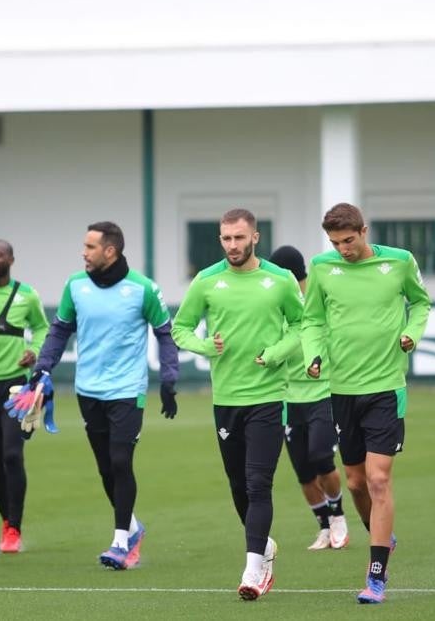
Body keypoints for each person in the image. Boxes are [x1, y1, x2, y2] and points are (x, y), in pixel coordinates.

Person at [301, 203, 430, 604]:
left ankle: (376, 577)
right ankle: (381, 535)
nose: (343, 249)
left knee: (377, 479)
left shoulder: (400, 262)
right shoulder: (322, 267)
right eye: (335, 242)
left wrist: (411, 332)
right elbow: (313, 320)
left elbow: (421, 303)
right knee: (355, 481)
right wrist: (313, 355)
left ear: (364, 230)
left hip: (386, 387)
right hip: (341, 389)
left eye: (349, 240)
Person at [33, 221, 179, 570]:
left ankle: (119, 542)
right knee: (105, 468)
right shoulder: (76, 285)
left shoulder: (142, 289)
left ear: (110, 251)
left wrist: (169, 379)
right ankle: (132, 528)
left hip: (127, 390)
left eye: (90, 247)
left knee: (120, 461)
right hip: (88, 390)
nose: (83, 252)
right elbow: (60, 330)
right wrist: (43, 366)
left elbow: (165, 333)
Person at [172, 210, 302, 600]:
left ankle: (253, 572)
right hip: (226, 399)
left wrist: (277, 353)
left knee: (258, 483)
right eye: (226, 238)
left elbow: (303, 325)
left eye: (239, 238)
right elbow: (180, 327)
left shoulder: (280, 280)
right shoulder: (207, 281)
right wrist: (203, 346)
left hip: (268, 396)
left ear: (255, 238)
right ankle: (264, 546)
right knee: (238, 487)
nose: (232, 245)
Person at [267, 245, 349, 553]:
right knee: (303, 469)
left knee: (320, 456)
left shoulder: (318, 303)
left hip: (323, 393)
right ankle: (324, 528)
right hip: (289, 398)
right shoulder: (276, 305)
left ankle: (339, 516)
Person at [0, 239, 50, 554]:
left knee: (12, 454)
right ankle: (5, 518)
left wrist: (33, 351)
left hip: (15, 387)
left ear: (11, 259)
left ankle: (14, 528)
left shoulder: (26, 295)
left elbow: (42, 329)